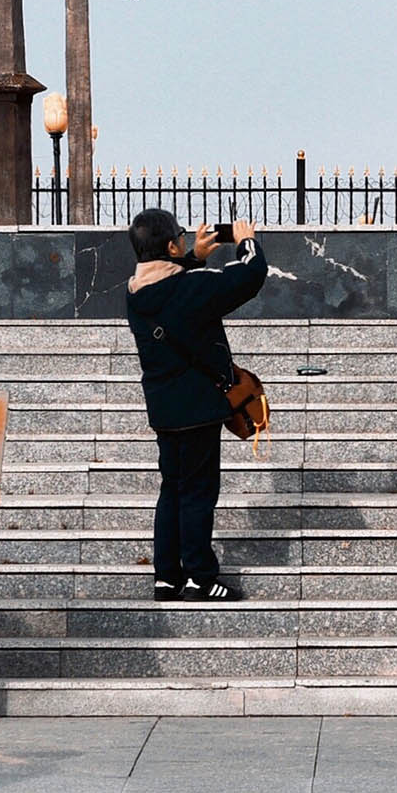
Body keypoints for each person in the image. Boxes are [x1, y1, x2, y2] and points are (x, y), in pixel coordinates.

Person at [125, 209, 268, 601]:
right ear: (172, 246)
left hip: (163, 410)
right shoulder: (194, 287)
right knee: (198, 493)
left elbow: (169, 287)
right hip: (199, 408)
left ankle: (167, 577)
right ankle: (200, 578)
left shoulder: (134, 294)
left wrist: (193, 258)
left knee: (172, 489)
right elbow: (251, 276)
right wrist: (246, 241)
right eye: (181, 237)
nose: (186, 240)